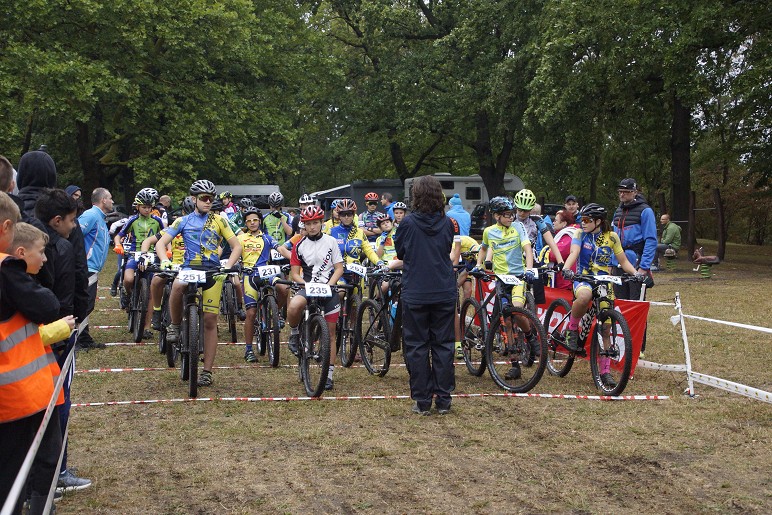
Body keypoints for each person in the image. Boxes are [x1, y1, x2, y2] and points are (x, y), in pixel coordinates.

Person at [0, 193, 72, 514]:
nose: (44, 259)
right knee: (15, 477)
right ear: (6, 228)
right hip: (18, 397)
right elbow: (47, 306)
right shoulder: (6, 270)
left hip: (24, 393)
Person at [155, 180, 242, 387]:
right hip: (189, 269)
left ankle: (207, 371)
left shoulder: (220, 220)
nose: (208, 202)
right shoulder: (182, 221)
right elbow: (160, 243)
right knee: (177, 286)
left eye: (211, 199)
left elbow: (236, 246)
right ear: (194, 199)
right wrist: (165, 260)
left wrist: (228, 265)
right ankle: (175, 326)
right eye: (204, 198)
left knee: (211, 320)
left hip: (212, 271)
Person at [560, 203, 644, 388]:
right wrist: (566, 269)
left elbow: (622, 261)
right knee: (584, 297)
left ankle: (605, 373)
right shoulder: (579, 234)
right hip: (583, 278)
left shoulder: (612, 237)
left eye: (588, 220)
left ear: (599, 222)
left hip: (605, 282)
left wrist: (636, 273)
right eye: (582, 219)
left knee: (606, 330)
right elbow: (574, 253)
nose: (583, 223)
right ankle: (572, 329)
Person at [394, 175, 457, 416]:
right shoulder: (447, 223)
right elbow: (447, 248)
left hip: (417, 292)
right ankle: (443, 398)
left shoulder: (408, 223)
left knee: (417, 346)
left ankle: (422, 400)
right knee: (443, 345)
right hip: (443, 289)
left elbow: (400, 251)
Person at [476, 196, 541, 381]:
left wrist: (529, 269)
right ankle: (514, 364)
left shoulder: (518, 227)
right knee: (506, 319)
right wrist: (479, 265)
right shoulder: (489, 231)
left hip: (519, 276)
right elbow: (483, 248)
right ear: (496, 216)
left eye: (512, 214)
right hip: (501, 278)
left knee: (518, 310)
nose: (511, 218)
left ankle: (530, 336)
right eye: (506, 215)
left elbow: (527, 248)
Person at [286, 205, 344, 390]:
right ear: (304, 224)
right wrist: (306, 285)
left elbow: (339, 268)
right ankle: (295, 334)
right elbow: (295, 273)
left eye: (316, 223)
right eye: (309, 224)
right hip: (308, 286)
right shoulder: (299, 245)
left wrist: (330, 285)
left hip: (328, 288)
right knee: (294, 306)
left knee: (331, 333)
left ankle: (328, 375)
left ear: (321, 223)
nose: (312, 227)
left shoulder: (331, 241)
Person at [114, 188, 164, 338]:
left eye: (149, 207)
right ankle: (128, 295)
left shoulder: (157, 221)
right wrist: (118, 245)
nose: (147, 209)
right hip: (134, 254)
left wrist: (167, 249)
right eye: (144, 207)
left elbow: (166, 236)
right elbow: (119, 235)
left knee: (150, 292)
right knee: (128, 278)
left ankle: (147, 327)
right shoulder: (133, 220)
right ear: (138, 207)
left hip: (151, 256)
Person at [237, 206, 285, 363]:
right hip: (249, 276)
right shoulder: (241, 238)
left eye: (255, 220)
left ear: (260, 221)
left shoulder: (267, 238)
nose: (252, 223)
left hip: (266, 273)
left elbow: (281, 249)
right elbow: (229, 252)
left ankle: (276, 313)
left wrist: (295, 259)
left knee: (284, 287)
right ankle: (249, 349)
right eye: (249, 221)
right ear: (245, 223)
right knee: (251, 313)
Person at [77, 188, 114, 350]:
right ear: (103, 200)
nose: (112, 201)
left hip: (91, 268)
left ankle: (83, 337)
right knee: (84, 304)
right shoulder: (91, 215)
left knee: (86, 304)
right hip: (86, 267)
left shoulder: (100, 217)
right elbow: (74, 234)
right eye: (110, 198)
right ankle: (78, 339)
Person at [611, 178, 657, 300]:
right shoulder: (618, 211)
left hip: (636, 263)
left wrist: (644, 267)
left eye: (626, 191)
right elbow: (612, 238)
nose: (622, 194)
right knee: (620, 303)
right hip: (618, 263)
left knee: (635, 303)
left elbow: (651, 240)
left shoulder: (645, 211)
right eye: (620, 191)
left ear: (635, 192)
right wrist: (611, 262)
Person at [538, 209, 577, 290]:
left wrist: (548, 251)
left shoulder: (568, 235)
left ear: (564, 223)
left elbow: (555, 254)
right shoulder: (570, 233)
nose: (553, 223)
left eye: (556, 220)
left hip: (566, 280)